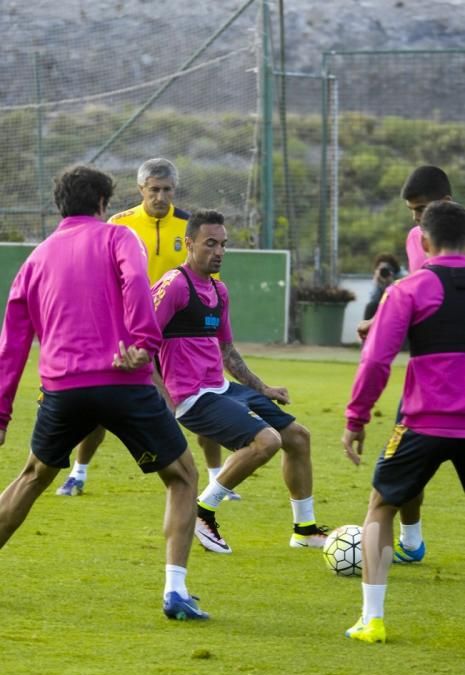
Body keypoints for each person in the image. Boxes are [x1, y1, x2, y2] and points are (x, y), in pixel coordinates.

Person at [0, 164, 208, 621]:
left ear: (60, 205)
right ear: (102, 204)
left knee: (32, 476)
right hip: (123, 380)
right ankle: (175, 591)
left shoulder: (36, 258)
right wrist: (143, 343)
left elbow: (12, 341)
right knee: (182, 477)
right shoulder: (118, 236)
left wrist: (1, 414)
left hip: (61, 388)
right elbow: (136, 283)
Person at [55, 158, 236, 500]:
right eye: (154, 189)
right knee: (101, 407)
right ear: (141, 190)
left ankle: (216, 479)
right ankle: (78, 474)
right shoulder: (119, 224)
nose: (161, 196)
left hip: (178, 333)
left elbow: (210, 282)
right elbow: (103, 275)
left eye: (167, 190)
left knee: (205, 399)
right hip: (129, 330)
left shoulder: (188, 225)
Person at [151, 208, 328, 554]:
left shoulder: (219, 291)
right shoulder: (173, 285)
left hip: (222, 389)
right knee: (267, 441)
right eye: (210, 244)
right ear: (189, 244)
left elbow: (227, 351)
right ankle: (202, 511)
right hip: (191, 397)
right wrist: (164, 400)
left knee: (298, 437)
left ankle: (304, 530)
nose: (218, 251)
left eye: (223, 245)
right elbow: (142, 341)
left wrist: (263, 388)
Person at [342, 200, 465, 643]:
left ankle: (372, 619)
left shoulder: (410, 289)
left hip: (423, 423)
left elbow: (376, 360)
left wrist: (356, 418)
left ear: (425, 241)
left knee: (381, 506)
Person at [357, 165, 453, 565]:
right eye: (411, 210)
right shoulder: (417, 238)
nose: (415, 218)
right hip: (428, 378)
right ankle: (411, 541)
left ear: (445, 202)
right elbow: (411, 291)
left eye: (421, 208)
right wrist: (379, 320)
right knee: (405, 464)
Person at [363, 253, 401, 321]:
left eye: (388, 269)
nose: (384, 271)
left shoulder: (401, 277)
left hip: (396, 307)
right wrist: (377, 282)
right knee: (371, 306)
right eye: (381, 269)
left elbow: (399, 300)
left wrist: (392, 283)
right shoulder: (379, 278)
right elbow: (374, 299)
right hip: (381, 306)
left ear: (393, 269)